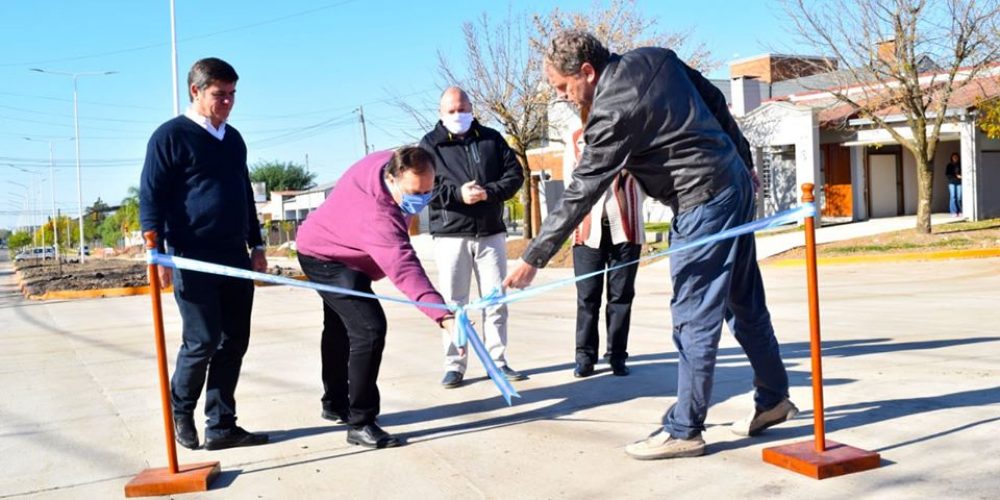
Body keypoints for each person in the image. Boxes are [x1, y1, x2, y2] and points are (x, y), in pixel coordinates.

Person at [504, 31, 798, 460]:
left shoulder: (610, 112)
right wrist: (744, 162)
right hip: (731, 185)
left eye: (563, 88)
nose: (564, 97)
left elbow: (583, 189)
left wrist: (534, 256)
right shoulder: (657, 58)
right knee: (742, 300)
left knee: (693, 314)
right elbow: (715, 101)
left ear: (587, 72)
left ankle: (686, 429)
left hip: (701, 200)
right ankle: (773, 398)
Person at [140, 57, 269, 451]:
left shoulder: (233, 139)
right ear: (195, 91)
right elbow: (152, 195)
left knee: (234, 341)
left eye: (232, 94)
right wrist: (155, 251)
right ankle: (182, 412)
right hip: (190, 255)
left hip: (234, 254)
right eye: (219, 95)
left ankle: (221, 424)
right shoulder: (170, 136)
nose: (227, 102)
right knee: (202, 340)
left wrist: (257, 243)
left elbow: (244, 194)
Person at [296, 147, 457, 449]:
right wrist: (442, 315)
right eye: (414, 192)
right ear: (392, 178)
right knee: (369, 328)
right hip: (325, 256)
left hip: (345, 246)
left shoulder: (396, 159)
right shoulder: (378, 213)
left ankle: (334, 402)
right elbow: (403, 266)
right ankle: (360, 422)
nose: (421, 198)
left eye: (427, 190)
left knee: (341, 327)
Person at [420, 87, 526, 388]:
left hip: (491, 232)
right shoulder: (430, 145)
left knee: (496, 301)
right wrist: (458, 195)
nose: (458, 115)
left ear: (472, 108)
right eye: (452, 110)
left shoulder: (491, 138)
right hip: (451, 234)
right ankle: (455, 364)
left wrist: (488, 193)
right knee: (455, 304)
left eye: (463, 109)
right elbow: (425, 188)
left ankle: (498, 360)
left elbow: (514, 175)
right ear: (441, 113)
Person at [562, 126, 645, 378]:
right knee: (587, 297)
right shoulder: (577, 139)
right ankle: (584, 357)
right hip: (588, 232)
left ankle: (617, 355)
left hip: (626, 228)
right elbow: (571, 184)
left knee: (621, 297)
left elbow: (647, 179)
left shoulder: (635, 134)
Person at [945, 153, 962, 217]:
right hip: (952, 182)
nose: (955, 158)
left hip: (959, 182)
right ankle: (953, 212)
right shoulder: (949, 165)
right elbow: (947, 174)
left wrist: (960, 177)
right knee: (953, 196)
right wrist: (956, 176)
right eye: (954, 157)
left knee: (959, 197)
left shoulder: (960, 164)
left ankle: (959, 211)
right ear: (952, 158)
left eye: (956, 157)